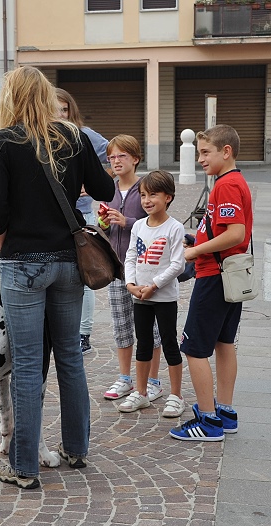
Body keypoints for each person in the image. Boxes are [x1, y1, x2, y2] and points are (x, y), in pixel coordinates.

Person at [0, 67, 115, 488]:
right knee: (70, 355)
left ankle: (23, 467)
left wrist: (8, 246)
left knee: (26, 363)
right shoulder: (74, 138)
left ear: (10, 98)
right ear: (44, 96)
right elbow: (105, 190)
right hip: (69, 261)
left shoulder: (1, 143)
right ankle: (76, 448)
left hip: (23, 263)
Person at [169, 124, 253, 442]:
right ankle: (226, 413)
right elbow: (226, 231)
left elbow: (236, 233)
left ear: (226, 151)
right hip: (228, 274)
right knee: (223, 343)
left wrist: (194, 251)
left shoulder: (226, 185)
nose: (200, 159)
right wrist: (200, 239)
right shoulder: (233, 181)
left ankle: (208, 421)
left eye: (205, 152)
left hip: (214, 276)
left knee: (194, 348)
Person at [100, 135, 165, 404]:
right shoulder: (109, 190)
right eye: (112, 157)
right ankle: (125, 378)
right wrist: (104, 224)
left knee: (150, 329)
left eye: (122, 156)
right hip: (117, 269)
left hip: (144, 270)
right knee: (122, 326)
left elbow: (156, 222)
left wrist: (126, 220)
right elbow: (106, 230)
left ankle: (153, 381)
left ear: (135, 159)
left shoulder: (145, 188)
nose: (116, 161)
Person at [119, 170, 186, 417]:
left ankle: (176, 395)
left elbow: (178, 264)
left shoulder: (174, 228)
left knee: (169, 343)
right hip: (140, 297)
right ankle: (141, 392)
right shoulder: (138, 226)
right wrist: (130, 284)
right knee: (143, 343)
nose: (147, 200)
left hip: (163, 297)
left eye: (153, 195)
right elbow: (131, 257)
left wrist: (154, 285)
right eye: (143, 195)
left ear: (168, 197)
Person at [55, 88, 109, 355]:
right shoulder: (43, 137)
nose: (61, 114)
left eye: (65, 109)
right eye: (55, 109)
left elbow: (116, 152)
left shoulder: (83, 134)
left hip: (82, 216)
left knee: (86, 275)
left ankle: (83, 334)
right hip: (54, 219)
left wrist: (95, 180)